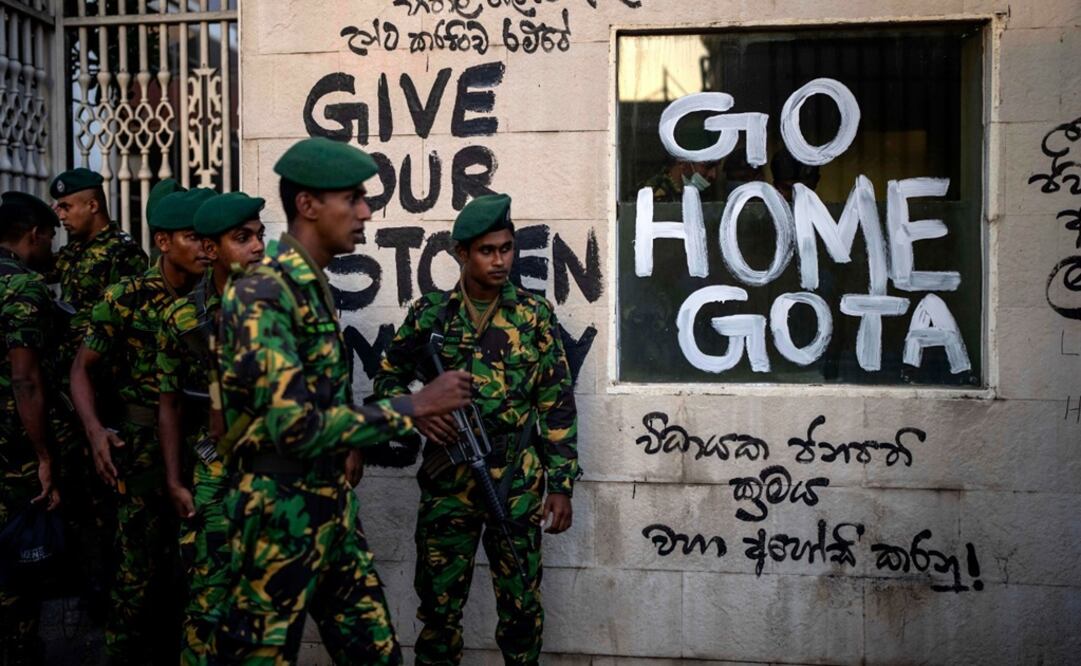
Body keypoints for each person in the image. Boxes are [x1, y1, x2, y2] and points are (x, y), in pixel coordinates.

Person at [212, 136, 471, 665]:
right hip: (277, 517)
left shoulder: (308, 286)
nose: (366, 212)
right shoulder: (263, 292)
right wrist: (412, 408)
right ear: (308, 205)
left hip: (329, 511)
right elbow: (293, 427)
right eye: (352, 198)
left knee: (376, 655)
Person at [373, 193, 580, 665]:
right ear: (461, 253)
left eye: (507, 248)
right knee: (440, 613)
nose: (501, 259)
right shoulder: (431, 316)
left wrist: (561, 485)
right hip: (449, 483)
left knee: (522, 610)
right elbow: (385, 376)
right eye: (488, 250)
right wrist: (419, 411)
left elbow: (557, 404)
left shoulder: (533, 316)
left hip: (517, 482)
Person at [70, 187, 215, 665]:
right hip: (143, 446)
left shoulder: (220, 295)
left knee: (202, 569)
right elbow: (81, 368)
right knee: (139, 570)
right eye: (194, 238)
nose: (205, 248)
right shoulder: (127, 295)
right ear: (164, 241)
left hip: (207, 443)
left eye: (209, 238)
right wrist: (95, 432)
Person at [155, 191, 266, 665]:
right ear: (211, 249)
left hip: (278, 475)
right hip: (215, 475)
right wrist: (175, 479)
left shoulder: (286, 305)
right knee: (207, 606)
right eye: (243, 238)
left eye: (261, 235)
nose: (259, 246)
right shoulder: (183, 320)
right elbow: (170, 403)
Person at [48, 168, 149, 611]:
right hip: (75, 395)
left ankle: (119, 596)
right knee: (81, 500)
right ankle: (93, 587)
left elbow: (129, 327)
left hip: (110, 394)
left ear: (93, 205)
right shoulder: (71, 255)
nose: (60, 213)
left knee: (114, 501)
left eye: (67, 205)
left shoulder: (122, 254)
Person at [0, 191, 62, 665]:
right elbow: (25, 379)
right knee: (18, 563)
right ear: (34, 234)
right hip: (10, 449)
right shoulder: (23, 287)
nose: (52, 250)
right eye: (49, 238)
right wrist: (43, 456)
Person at [641, 158, 719, 202]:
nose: (713, 174)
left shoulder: (700, 194)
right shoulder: (654, 193)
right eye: (707, 167)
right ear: (682, 163)